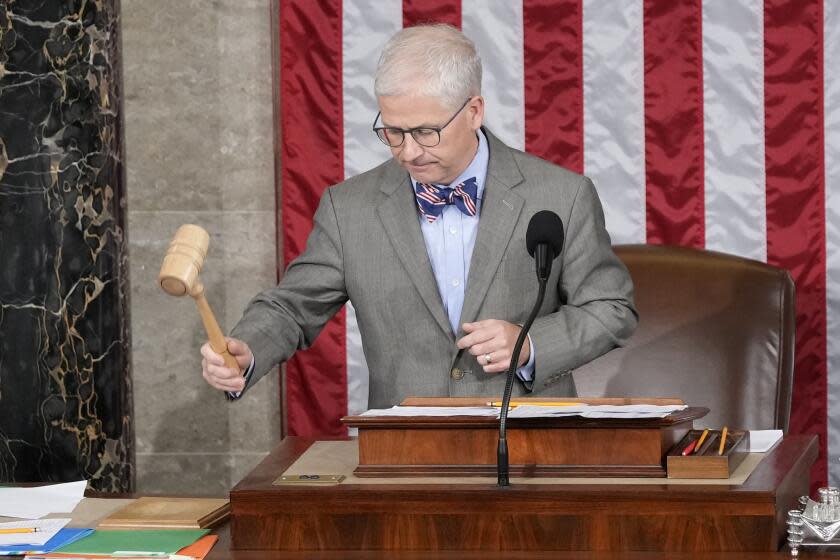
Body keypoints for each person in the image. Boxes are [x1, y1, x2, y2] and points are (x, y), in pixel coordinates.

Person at [200, 24, 637, 407]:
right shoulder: (348, 208)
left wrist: (530, 344)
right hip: (403, 457)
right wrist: (248, 349)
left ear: (473, 112)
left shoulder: (563, 194)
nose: (408, 151)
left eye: (426, 132)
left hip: (531, 450)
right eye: (392, 131)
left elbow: (611, 308)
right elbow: (292, 308)